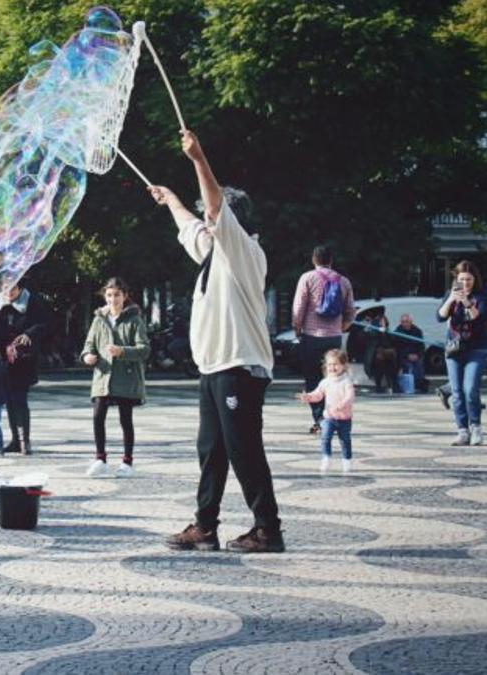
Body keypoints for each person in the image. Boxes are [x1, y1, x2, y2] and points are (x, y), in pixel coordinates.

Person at [150, 129, 284, 554]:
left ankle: (268, 530)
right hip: (214, 368)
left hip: (238, 367)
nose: (208, 224)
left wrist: (198, 158)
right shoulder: (213, 254)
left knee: (244, 450)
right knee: (211, 449)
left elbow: (212, 208)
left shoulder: (244, 251)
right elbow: (192, 224)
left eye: (216, 221)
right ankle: (205, 526)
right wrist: (171, 200)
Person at [81, 277, 150, 478]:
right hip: (103, 376)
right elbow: (88, 345)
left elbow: (144, 349)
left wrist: (122, 351)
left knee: (125, 419)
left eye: (117, 295)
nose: (113, 299)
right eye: (109, 295)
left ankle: (127, 462)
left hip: (126, 377)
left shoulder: (134, 319)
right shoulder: (98, 319)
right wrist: (88, 357)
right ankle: (100, 458)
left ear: (125, 296)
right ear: (105, 296)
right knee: (97, 416)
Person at [292, 245, 355, 433]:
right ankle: (334, 417)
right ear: (331, 260)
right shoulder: (344, 282)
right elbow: (351, 312)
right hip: (334, 339)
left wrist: (297, 329)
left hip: (312, 337)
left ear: (314, 259)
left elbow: (298, 308)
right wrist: (340, 328)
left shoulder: (307, 278)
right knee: (334, 378)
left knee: (313, 379)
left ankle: (319, 418)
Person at [0, 281, 51, 455]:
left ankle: (24, 441)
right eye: (5, 289)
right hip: (3, 357)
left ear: (20, 288)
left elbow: (45, 324)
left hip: (24, 356)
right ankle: (15, 439)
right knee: (9, 400)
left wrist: (29, 333)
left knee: (20, 398)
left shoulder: (32, 301)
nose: (8, 293)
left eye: (12, 289)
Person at [438, 260, 487, 446]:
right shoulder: (451, 295)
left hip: (477, 348)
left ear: (475, 279)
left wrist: (467, 301)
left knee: (470, 389)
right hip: (454, 349)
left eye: (469, 279)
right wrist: (452, 299)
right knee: (457, 392)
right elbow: (440, 316)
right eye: (462, 279)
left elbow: (479, 317)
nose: (466, 283)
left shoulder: (482, 296)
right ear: (456, 280)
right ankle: (462, 430)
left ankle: (476, 426)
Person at [297, 349, 356, 474]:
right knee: (325, 438)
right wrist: (308, 397)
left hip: (344, 418)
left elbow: (350, 397)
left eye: (336, 364)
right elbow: (318, 395)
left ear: (343, 365)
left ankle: (347, 460)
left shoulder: (346, 382)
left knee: (345, 441)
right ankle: (326, 458)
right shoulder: (325, 382)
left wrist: (341, 405)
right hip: (329, 417)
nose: (332, 367)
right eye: (329, 364)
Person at [392, 313, 427, 393]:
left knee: (419, 365)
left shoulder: (417, 331)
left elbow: (421, 346)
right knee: (408, 366)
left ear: (411, 322)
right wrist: (407, 355)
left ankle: (420, 384)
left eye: (407, 321)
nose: (405, 324)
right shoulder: (397, 332)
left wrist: (417, 355)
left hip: (415, 355)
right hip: (403, 356)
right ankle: (409, 385)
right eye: (403, 322)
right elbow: (397, 348)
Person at [363, 314, 398, 393]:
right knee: (379, 364)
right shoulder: (372, 332)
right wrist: (378, 331)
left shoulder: (388, 332)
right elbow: (372, 342)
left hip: (387, 356)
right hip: (376, 356)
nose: (382, 323)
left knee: (390, 364)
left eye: (383, 321)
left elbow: (392, 342)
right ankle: (379, 386)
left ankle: (391, 385)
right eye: (380, 322)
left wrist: (386, 332)